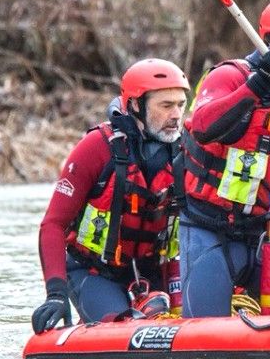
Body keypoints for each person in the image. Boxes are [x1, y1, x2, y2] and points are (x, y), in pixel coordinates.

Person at [177, 0, 270, 317]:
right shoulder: (228, 77)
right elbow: (202, 126)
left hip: (266, 236)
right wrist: (255, 86)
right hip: (208, 230)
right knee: (206, 349)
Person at [32, 58, 189, 332]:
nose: (176, 115)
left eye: (180, 105)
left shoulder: (187, 150)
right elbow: (53, 224)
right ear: (136, 106)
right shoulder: (97, 148)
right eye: (166, 106)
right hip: (95, 272)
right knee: (122, 327)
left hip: (155, 273)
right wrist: (56, 294)